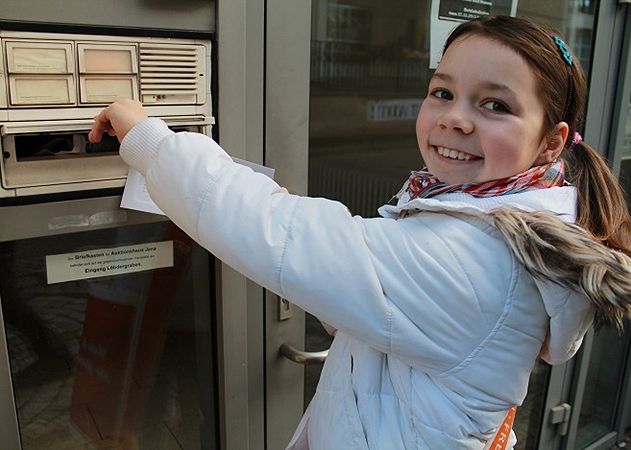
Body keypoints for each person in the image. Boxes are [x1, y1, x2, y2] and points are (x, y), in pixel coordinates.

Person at [89, 15, 631, 450]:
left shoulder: (480, 259)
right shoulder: (482, 215)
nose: (455, 119)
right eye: (443, 92)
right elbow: (368, 289)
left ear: (552, 142)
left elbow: (280, 234)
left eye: (495, 105)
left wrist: (150, 140)